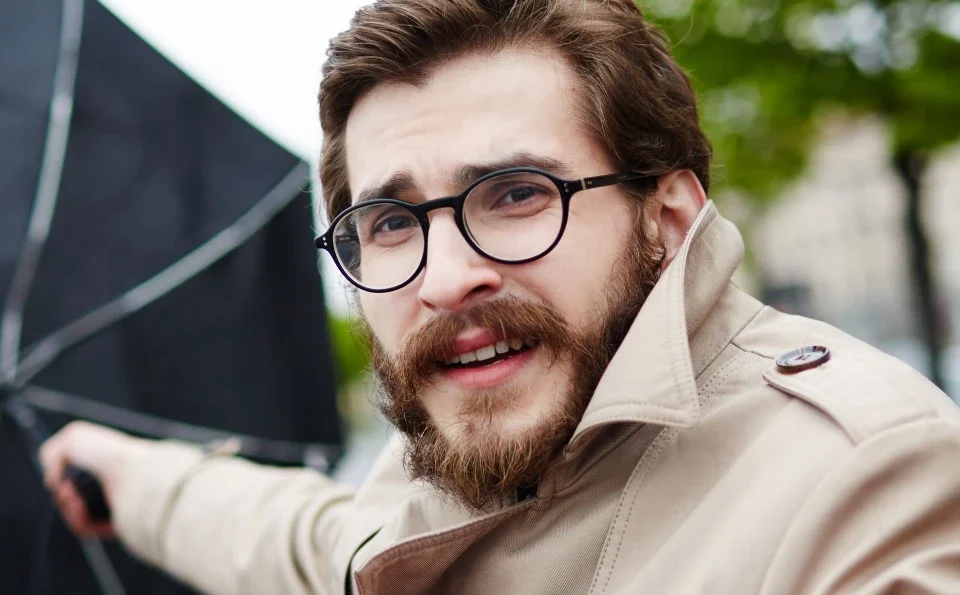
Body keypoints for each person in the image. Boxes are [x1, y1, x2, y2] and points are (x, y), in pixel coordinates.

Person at [40, 1, 960, 593]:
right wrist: (123, 472)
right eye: (393, 221)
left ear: (668, 218)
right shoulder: (445, 483)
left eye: (518, 194)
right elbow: (297, 538)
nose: (444, 278)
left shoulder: (861, 478)